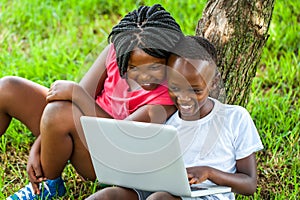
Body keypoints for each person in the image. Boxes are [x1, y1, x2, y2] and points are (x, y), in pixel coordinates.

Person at [2, 4, 184, 199]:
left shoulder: (166, 97)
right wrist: (41, 143)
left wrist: (77, 93)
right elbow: (72, 101)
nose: (144, 76)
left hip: (107, 158)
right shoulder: (117, 53)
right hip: (75, 128)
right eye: (133, 68)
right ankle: (52, 157)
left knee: (60, 113)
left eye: (154, 67)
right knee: (8, 88)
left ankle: (48, 184)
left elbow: (119, 136)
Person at [86, 36, 264, 200]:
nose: (184, 98)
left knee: (159, 199)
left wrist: (209, 173)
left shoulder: (234, 118)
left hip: (207, 196)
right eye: (175, 88)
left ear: (214, 83)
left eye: (195, 90)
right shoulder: (167, 120)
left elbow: (249, 185)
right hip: (162, 191)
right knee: (108, 196)